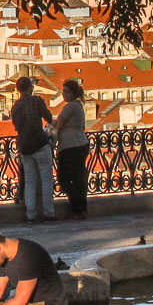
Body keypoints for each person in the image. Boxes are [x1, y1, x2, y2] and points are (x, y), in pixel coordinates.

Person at [10, 77, 55, 223]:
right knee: (46, 179)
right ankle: (49, 213)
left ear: (18, 89)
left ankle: (31, 215)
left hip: (24, 146)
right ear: (30, 87)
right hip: (40, 143)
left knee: (30, 181)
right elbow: (49, 118)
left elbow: (17, 127)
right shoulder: (36, 101)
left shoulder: (15, 107)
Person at [50, 79, 90, 220]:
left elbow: (59, 124)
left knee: (66, 178)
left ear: (73, 93)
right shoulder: (77, 106)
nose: (64, 94)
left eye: (66, 91)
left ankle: (77, 209)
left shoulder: (70, 107)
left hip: (71, 146)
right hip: (78, 144)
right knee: (77, 178)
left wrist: (49, 123)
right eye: (63, 91)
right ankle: (81, 209)